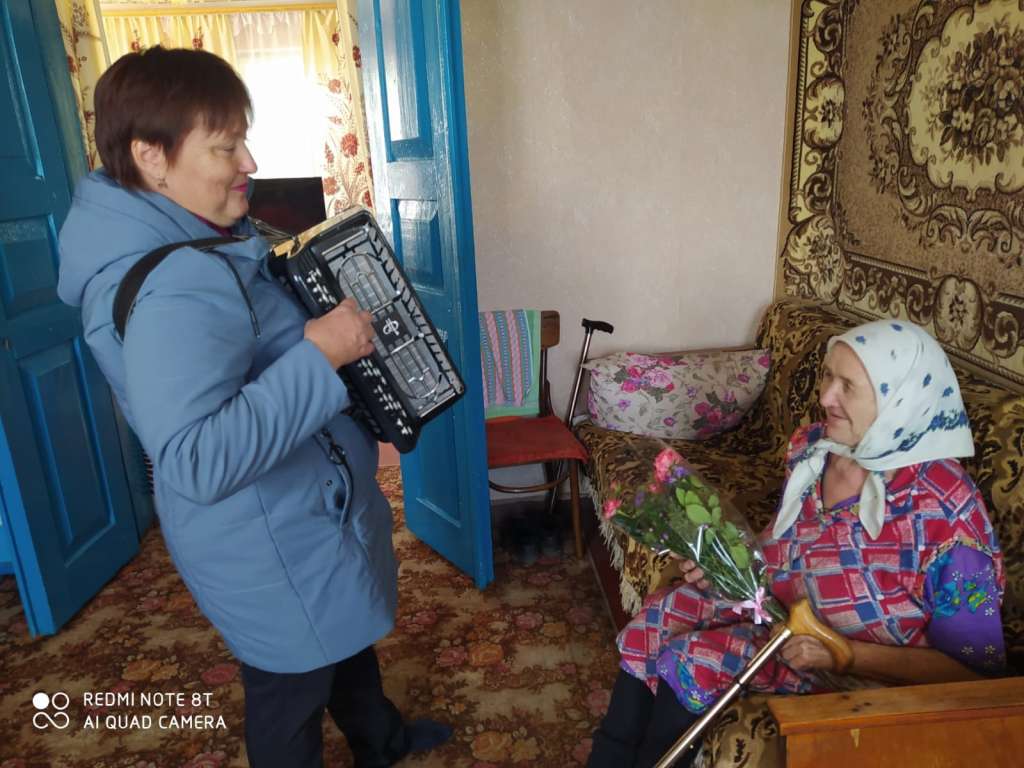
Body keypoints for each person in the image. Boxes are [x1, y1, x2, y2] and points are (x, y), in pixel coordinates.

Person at [57, 47, 451, 768]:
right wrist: (320, 355)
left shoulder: (199, 236)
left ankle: (382, 742)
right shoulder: (175, 286)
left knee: (344, 645)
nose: (250, 162)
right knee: (288, 699)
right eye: (225, 146)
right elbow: (196, 460)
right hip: (268, 541)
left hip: (300, 519)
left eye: (244, 138)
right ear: (151, 157)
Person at [587, 319, 1006, 767]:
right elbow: (788, 543)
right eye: (828, 376)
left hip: (847, 666)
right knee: (662, 614)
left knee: (693, 659)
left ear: (900, 400)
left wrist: (843, 655)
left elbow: (974, 673)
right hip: (779, 614)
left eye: (848, 386)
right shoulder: (815, 447)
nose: (826, 397)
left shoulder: (947, 514)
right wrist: (724, 564)